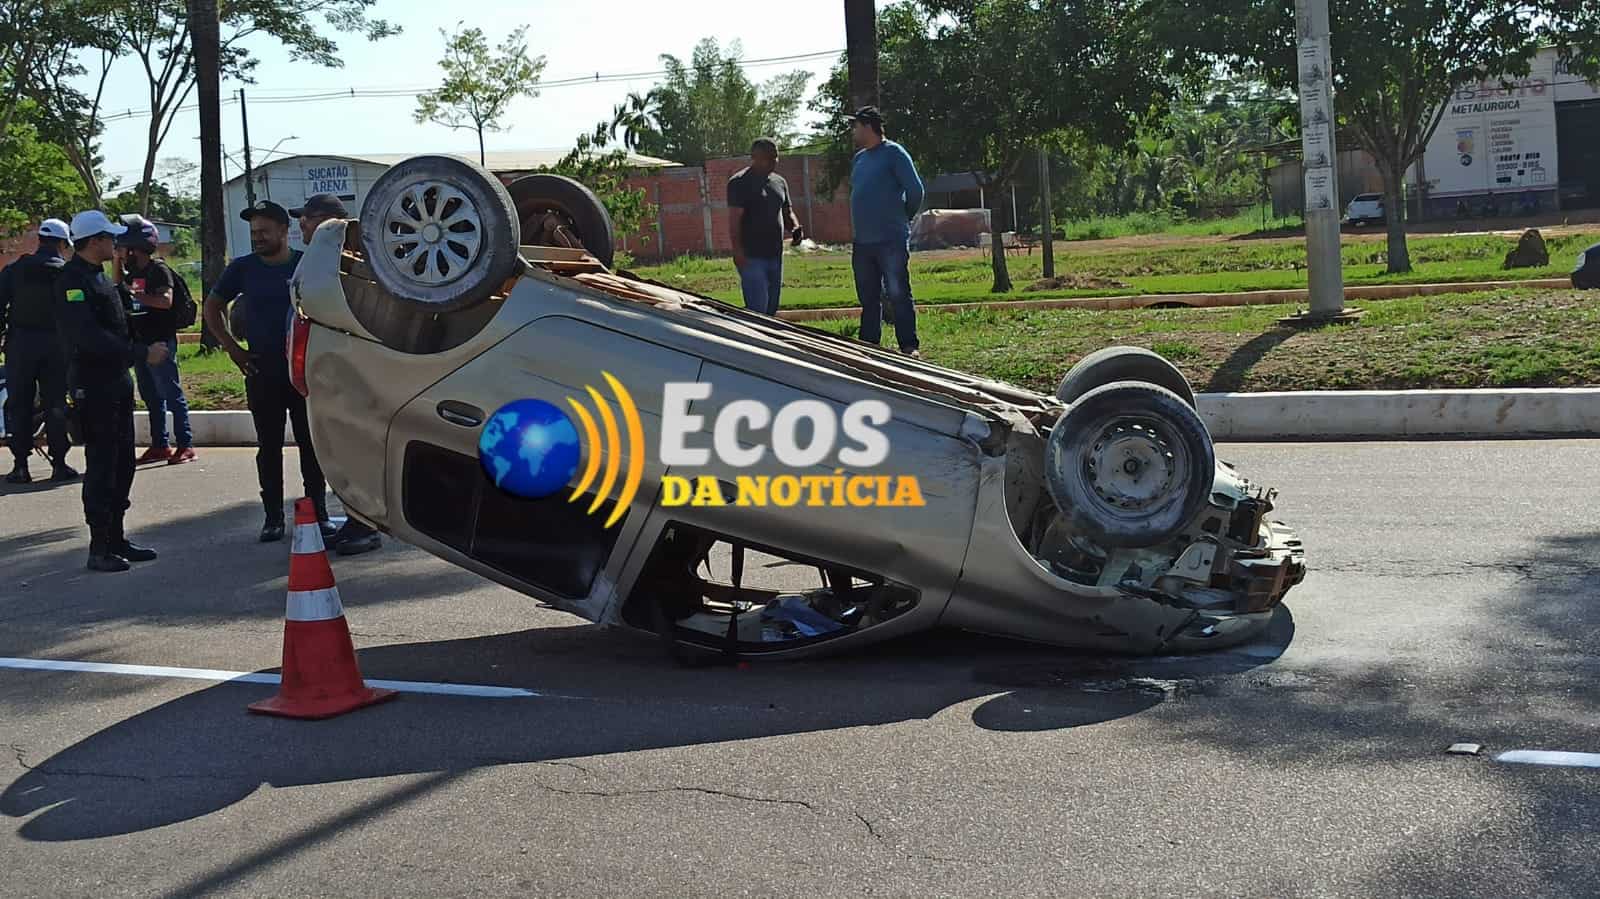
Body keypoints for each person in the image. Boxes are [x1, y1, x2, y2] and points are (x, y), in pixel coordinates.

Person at [203, 200, 336, 543]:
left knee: (311, 445)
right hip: (263, 371)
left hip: (303, 372)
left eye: (264, 231)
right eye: (253, 233)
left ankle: (318, 512)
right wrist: (233, 348)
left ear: (283, 231)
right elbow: (213, 307)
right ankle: (273, 517)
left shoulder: (305, 264)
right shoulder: (243, 268)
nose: (257, 238)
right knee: (270, 446)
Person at [55, 210, 161, 572]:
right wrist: (140, 353)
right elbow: (87, 337)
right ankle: (99, 546)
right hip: (93, 383)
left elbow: (117, 324)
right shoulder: (71, 281)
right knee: (102, 463)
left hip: (117, 381)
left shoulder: (100, 278)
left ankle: (117, 538)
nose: (115, 244)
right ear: (95, 240)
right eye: (110, 238)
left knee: (122, 462)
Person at [288, 193, 381, 556]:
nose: (302, 225)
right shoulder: (322, 260)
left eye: (307, 218)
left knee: (353, 455)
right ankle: (355, 521)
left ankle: (365, 527)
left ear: (326, 221)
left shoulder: (346, 263)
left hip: (346, 376)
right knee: (339, 455)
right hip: (327, 376)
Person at [0, 219, 78, 484]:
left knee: (19, 404)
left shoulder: (14, 270)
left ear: (40, 240)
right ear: (61, 242)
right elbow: (77, 307)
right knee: (55, 403)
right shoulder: (66, 273)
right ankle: (60, 464)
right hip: (56, 346)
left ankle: (20, 466)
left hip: (20, 345)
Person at [114, 216, 195, 465]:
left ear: (136, 246)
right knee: (151, 397)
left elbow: (165, 301)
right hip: (142, 343)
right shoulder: (134, 272)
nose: (122, 252)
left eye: (124, 248)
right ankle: (160, 444)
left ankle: (186, 445)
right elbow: (117, 285)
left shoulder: (157, 270)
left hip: (161, 342)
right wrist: (117, 260)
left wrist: (137, 294)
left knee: (171, 393)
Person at [846, 106, 925, 357]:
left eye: (856, 126)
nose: (853, 131)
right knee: (868, 296)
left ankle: (908, 345)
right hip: (863, 241)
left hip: (890, 238)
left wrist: (903, 217)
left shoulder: (894, 153)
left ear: (868, 126)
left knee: (898, 291)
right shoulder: (859, 159)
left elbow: (916, 191)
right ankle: (869, 344)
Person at [728, 138, 801, 316]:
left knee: (771, 308)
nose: (775, 161)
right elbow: (734, 220)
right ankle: (753, 341)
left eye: (776, 157)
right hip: (751, 257)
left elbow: (787, 212)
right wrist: (737, 251)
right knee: (757, 310)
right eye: (771, 157)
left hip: (775, 255)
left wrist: (796, 227)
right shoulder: (739, 182)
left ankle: (767, 342)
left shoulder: (780, 182)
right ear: (756, 158)